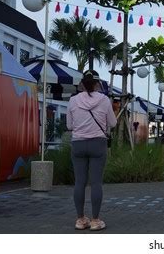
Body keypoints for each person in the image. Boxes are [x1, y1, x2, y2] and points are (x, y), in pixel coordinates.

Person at [67, 70, 117, 231]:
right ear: (97, 83)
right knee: (96, 182)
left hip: (78, 144)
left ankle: (80, 220)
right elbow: (113, 123)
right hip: (98, 143)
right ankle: (95, 220)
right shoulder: (104, 100)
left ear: (82, 84)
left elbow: (69, 126)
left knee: (79, 182)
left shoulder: (73, 100)